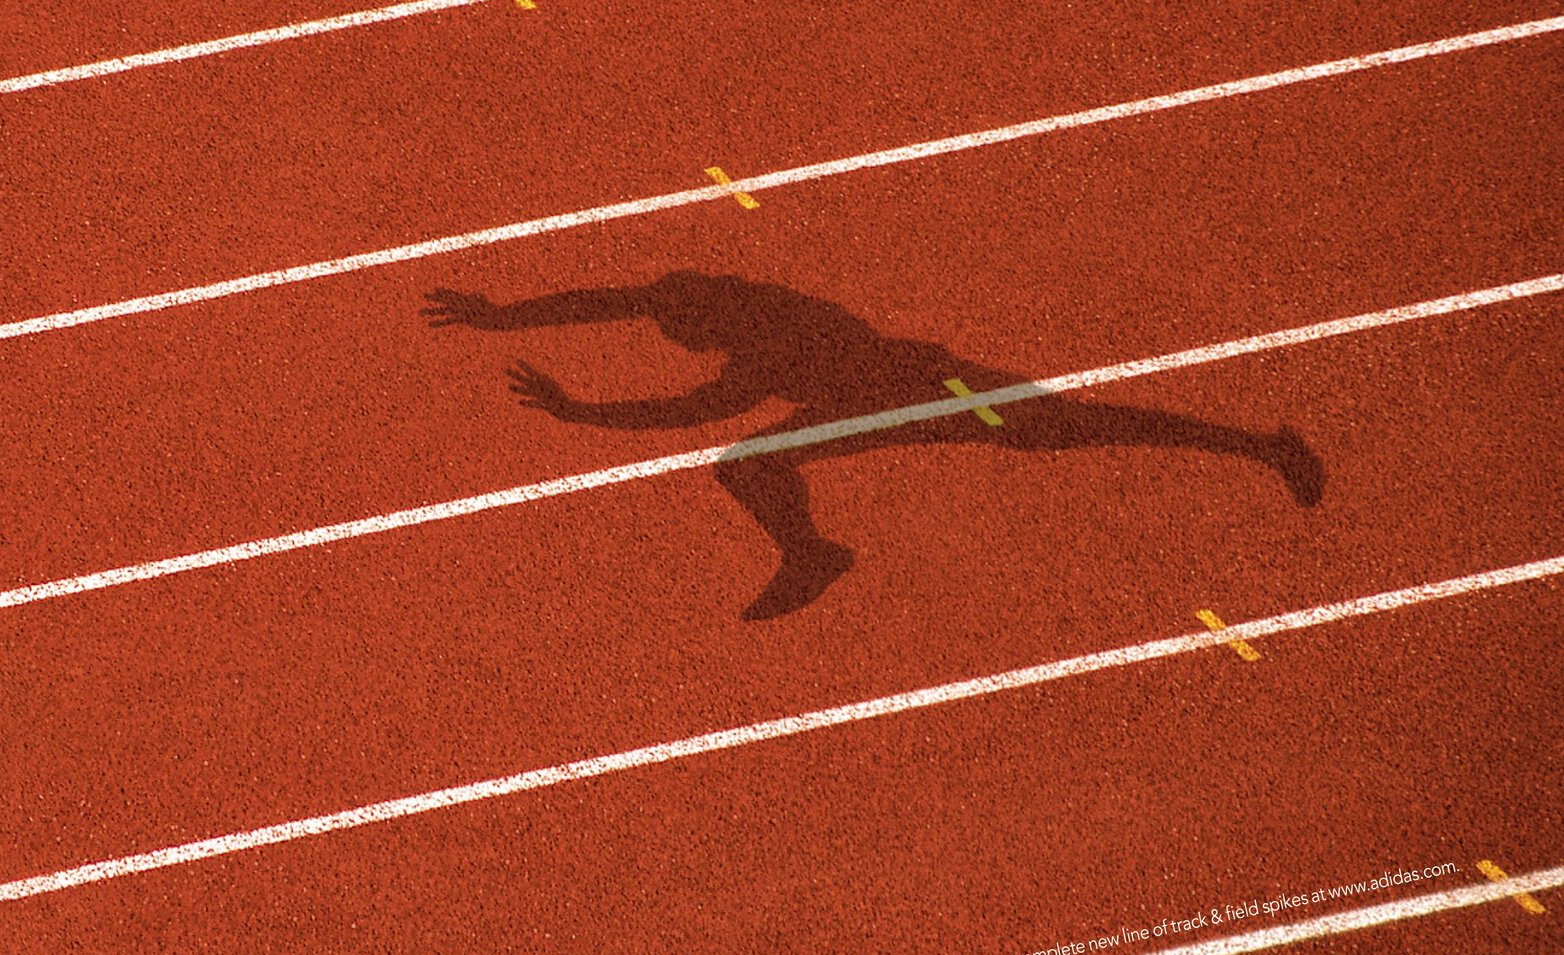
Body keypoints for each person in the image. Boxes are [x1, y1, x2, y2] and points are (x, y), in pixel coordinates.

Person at [428, 270, 1323, 620]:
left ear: (707, 323)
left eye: (683, 333)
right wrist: (509, 316)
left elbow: (694, 409)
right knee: (751, 464)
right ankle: (811, 552)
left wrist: (584, 416)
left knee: (1077, 427)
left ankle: (1259, 448)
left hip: (936, 392)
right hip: (871, 404)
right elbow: (620, 301)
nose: (677, 336)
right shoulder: (708, 300)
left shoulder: (766, 345)